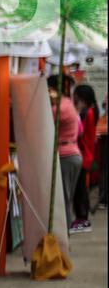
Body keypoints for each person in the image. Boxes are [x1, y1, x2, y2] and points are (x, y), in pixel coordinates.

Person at [49, 76, 86, 232]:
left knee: (63, 197)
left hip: (65, 155)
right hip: (73, 153)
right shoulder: (68, 104)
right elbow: (81, 131)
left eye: (49, 89)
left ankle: (62, 235)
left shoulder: (59, 108)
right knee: (67, 196)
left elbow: (44, 121)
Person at [73, 84, 101, 217]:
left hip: (84, 151)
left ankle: (82, 216)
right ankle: (83, 214)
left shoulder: (88, 113)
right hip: (88, 151)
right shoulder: (93, 110)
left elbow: (81, 131)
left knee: (81, 188)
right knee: (82, 186)